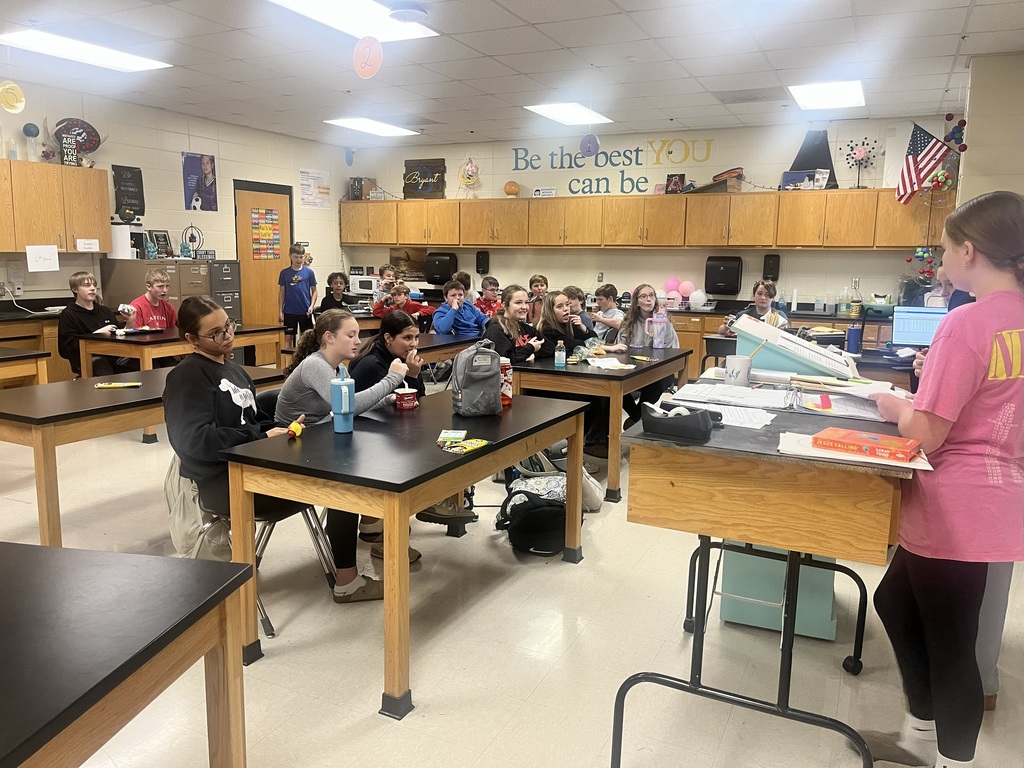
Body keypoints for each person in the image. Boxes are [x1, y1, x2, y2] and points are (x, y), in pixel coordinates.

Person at [868, 190, 1024, 768]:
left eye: (943, 249)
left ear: (969, 249)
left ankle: (949, 759)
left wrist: (892, 403)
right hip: (996, 497)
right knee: (896, 602)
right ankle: (918, 738)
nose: (939, 260)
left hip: (954, 502)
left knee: (954, 647)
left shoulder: (966, 322)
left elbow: (927, 432)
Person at [162, 297, 339, 599]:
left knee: (330, 475)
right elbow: (194, 440)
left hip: (250, 466)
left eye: (228, 325)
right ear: (192, 339)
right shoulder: (188, 376)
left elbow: (250, 422)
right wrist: (258, 438)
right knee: (321, 484)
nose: (228, 335)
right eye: (216, 333)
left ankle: (345, 568)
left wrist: (278, 429)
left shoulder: (235, 371)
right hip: (218, 478)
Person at [275, 309, 420, 581]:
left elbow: (347, 405)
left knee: (378, 453)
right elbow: (348, 406)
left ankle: (370, 526)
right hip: (289, 450)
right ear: (329, 337)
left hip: (320, 438)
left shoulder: (338, 367)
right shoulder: (316, 365)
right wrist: (392, 379)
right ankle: (347, 579)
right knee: (346, 487)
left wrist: (387, 399)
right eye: (350, 335)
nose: (357, 340)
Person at [350, 311, 477, 528]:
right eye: (407, 338)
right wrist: (409, 377)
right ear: (389, 338)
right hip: (367, 437)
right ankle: (426, 501)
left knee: (448, 436)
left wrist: (414, 376)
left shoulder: (398, 359)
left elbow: (419, 400)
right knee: (425, 446)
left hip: (390, 428)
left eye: (416, 337)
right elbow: (386, 403)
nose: (414, 344)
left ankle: (436, 497)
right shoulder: (373, 364)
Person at [617, 284, 679, 428]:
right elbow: (621, 347)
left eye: (651, 295)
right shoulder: (628, 323)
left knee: (662, 381)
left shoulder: (663, 321)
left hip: (656, 369)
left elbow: (672, 348)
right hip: (632, 369)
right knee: (616, 387)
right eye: (643, 296)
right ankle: (637, 417)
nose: (649, 300)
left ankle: (635, 418)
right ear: (636, 302)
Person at [57, 271, 137, 377]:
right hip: (88, 358)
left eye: (94, 285)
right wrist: (97, 335)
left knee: (140, 362)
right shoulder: (69, 314)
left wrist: (130, 321)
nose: (92, 288)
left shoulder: (104, 311)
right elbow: (66, 348)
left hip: (114, 355)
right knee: (101, 366)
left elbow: (119, 335)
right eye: (87, 285)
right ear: (75, 289)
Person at [482, 284, 544, 364]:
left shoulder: (524, 327)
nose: (524, 307)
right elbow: (505, 360)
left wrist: (532, 354)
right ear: (504, 305)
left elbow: (549, 347)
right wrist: (529, 349)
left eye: (526, 302)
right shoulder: (495, 331)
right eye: (518, 303)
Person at [278, 243, 317, 346]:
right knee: (288, 337)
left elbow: (314, 291)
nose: (298, 260)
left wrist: (312, 306)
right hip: (289, 311)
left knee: (306, 338)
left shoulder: (309, 273)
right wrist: (280, 311)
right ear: (290, 256)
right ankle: (288, 360)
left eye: (301, 257)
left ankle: (304, 361)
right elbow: (282, 292)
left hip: (305, 311)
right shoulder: (284, 273)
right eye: (296, 257)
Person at [718, 280, 789, 335]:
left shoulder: (779, 316)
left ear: (772, 297)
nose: (763, 298)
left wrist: (784, 330)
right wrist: (726, 326)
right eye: (759, 294)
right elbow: (721, 331)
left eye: (767, 295)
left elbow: (788, 334)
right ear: (754, 295)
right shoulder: (743, 316)